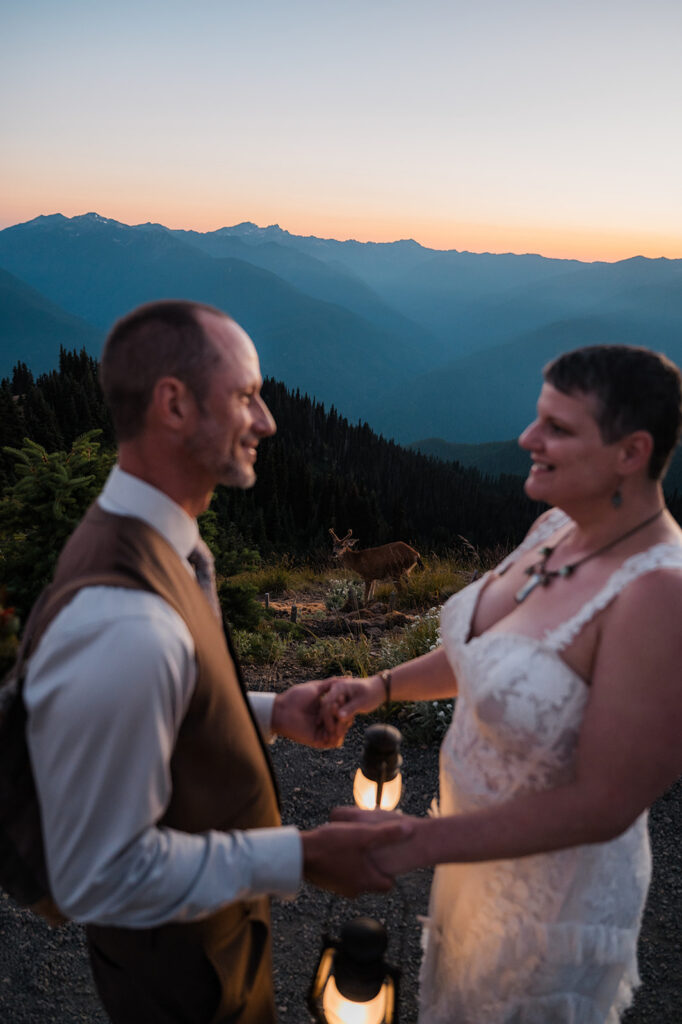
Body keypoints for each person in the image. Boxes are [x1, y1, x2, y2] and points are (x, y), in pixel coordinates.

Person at [22, 300, 410, 1024]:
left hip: (209, 946)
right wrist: (299, 856)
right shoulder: (125, 619)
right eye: (246, 397)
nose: (266, 420)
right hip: (181, 979)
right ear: (172, 403)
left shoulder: (159, 539)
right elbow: (97, 876)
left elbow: (163, 697)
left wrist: (267, 711)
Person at [321, 344, 682, 1023]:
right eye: (536, 418)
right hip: (473, 859)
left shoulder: (659, 595)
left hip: (550, 901)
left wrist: (413, 842)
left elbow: (605, 803)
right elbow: (480, 653)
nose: (526, 439)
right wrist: (378, 687)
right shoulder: (554, 526)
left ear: (631, 453)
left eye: (558, 428)